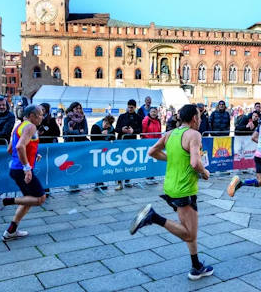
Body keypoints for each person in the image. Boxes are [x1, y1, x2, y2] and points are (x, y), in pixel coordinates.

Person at [128, 104, 213, 281]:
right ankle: (153, 217)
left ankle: (196, 266)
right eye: (199, 116)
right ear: (194, 118)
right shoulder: (194, 134)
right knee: (190, 233)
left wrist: (173, 157)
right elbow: (195, 164)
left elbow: (152, 151)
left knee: (189, 230)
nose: (200, 119)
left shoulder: (170, 134)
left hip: (171, 187)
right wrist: (205, 173)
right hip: (184, 189)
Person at [0, 105, 46, 239]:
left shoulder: (18, 127)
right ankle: (4, 201)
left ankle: (11, 230)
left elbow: (10, 149)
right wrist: (27, 168)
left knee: (28, 200)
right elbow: (20, 147)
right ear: (32, 116)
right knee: (40, 199)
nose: (42, 118)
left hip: (16, 169)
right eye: (40, 115)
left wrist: (32, 155)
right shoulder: (31, 127)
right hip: (21, 170)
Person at [116, 99, 143, 190]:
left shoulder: (138, 117)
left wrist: (133, 131)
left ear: (135, 107)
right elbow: (116, 129)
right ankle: (119, 181)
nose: (130, 109)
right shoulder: (122, 116)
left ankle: (127, 180)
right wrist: (122, 130)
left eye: (132, 107)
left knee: (129, 161)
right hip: (121, 141)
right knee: (120, 162)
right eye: (128, 107)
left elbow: (141, 130)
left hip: (132, 142)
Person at [90, 114, 115, 190]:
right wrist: (101, 135)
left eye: (108, 124)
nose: (106, 125)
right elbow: (93, 138)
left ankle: (100, 182)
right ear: (103, 120)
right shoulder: (96, 126)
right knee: (97, 166)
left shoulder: (111, 128)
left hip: (106, 150)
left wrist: (109, 136)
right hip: (96, 150)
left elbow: (113, 138)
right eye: (105, 123)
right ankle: (97, 183)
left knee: (103, 166)